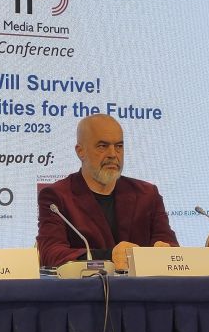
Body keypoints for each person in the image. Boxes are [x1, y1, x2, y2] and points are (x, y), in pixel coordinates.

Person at [36, 114, 178, 270]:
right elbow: (51, 254)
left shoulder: (147, 194)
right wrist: (108, 257)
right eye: (103, 146)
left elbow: (169, 244)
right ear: (80, 151)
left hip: (143, 285)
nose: (113, 154)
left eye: (119, 146)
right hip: (87, 284)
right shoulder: (57, 197)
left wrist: (165, 250)